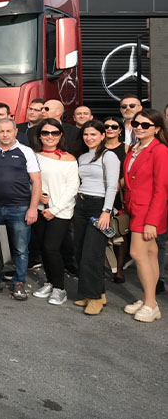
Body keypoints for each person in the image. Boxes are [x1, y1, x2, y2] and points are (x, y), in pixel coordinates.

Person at [0, 118, 41, 300]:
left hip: (19, 208)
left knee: (20, 248)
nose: (5, 134)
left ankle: (19, 282)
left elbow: (37, 182)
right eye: (1, 131)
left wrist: (33, 208)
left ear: (16, 132)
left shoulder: (26, 152)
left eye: (9, 131)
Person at [122, 109, 168, 322]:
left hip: (148, 211)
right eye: (136, 124)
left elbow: (162, 189)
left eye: (145, 125)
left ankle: (150, 304)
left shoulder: (160, 151)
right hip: (135, 208)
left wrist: (152, 221)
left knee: (137, 254)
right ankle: (149, 300)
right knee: (150, 254)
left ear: (156, 128)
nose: (139, 128)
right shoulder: (135, 148)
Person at [70, 120, 120, 315]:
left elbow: (112, 186)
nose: (89, 138)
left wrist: (106, 211)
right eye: (86, 134)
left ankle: (95, 299)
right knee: (80, 252)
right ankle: (96, 292)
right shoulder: (83, 156)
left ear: (102, 135)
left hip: (99, 206)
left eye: (93, 134)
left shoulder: (109, 156)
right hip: (81, 204)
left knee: (92, 254)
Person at [30, 118, 79, 306]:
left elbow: (72, 188)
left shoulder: (69, 159)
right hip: (40, 209)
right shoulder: (34, 156)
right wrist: (37, 196)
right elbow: (29, 181)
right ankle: (50, 282)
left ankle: (60, 288)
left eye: (54, 133)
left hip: (61, 211)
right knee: (44, 248)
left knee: (52, 248)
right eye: (45, 133)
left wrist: (55, 209)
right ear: (39, 135)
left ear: (60, 135)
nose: (50, 136)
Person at [103, 116, 130, 283]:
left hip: (119, 194)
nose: (110, 129)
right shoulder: (98, 146)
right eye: (106, 126)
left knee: (120, 229)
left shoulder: (126, 148)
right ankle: (104, 265)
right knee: (101, 230)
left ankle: (119, 269)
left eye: (114, 126)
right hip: (100, 192)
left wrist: (118, 184)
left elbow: (130, 170)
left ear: (120, 130)